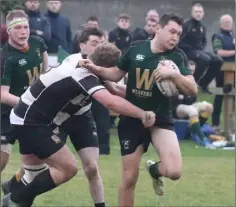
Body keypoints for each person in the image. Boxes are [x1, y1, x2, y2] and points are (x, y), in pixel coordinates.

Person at [2, 31, 156, 206]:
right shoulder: (82, 72)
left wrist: (148, 98)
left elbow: (115, 89)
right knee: (66, 168)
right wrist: (142, 114)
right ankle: (16, 199)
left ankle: (16, 194)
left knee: (47, 170)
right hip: (30, 120)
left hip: (46, 119)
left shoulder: (90, 67)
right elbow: (111, 102)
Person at [81, 12, 198, 207]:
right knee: (129, 179)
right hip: (132, 119)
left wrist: (174, 75)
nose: (175, 37)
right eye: (172, 32)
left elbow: (193, 89)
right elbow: (116, 73)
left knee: (174, 171)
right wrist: (96, 69)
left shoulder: (177, 56)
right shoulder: (136, 48)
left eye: (178, 34)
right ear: (158, 29)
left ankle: (155, 171)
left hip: (160, 119)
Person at [1, 9, 48, 175]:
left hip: (31, 113)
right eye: (18, 28)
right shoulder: (5, 58)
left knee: (36, 163)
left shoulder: (38, 44)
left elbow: (45, 74)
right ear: (8, 31)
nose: (23, 32)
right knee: (2, 159)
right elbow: (3, 95)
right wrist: (30, 102)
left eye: (26, 27)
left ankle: (12, 189)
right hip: (6, 114)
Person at [179, 3, 223, 93]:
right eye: (196, 12)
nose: (198, 14)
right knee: (205, 59)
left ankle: (203, 84)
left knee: (218, 60)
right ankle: (191, 83)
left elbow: (204, 41)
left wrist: (201, 47)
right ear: (192, 13)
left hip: (199, 52)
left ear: (203, 13)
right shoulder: (187, 25)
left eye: (200, 12)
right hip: (187, 52)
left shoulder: (202, 27)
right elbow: (179, 42)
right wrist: (191, 47)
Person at [172, 60, 214, 148]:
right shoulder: (176, 80)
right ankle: (202, 139)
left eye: (192, 71)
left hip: (189, 106)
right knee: (192, 110)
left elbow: (192, 100)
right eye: (189, 70)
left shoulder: (193, 80)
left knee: (209, 107)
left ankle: (194, 132)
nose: (191, 72)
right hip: (176, 108)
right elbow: (173, 100)